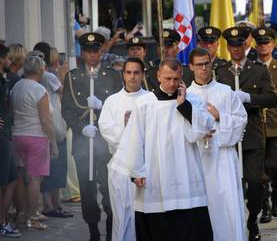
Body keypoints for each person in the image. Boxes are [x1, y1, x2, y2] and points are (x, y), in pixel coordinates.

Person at [114, 58, 214, 241]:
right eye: (167, 78)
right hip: (156, 174)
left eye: (176, 79)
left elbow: (205, 128)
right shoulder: (145, 103)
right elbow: (134, 139)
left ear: (182, 77)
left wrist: (184, 105)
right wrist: (135, 172)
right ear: (158, 75)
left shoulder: (192, 99)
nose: (172, 83)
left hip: (187, 173)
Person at [216, 26, 277, 241]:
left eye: (239, 45)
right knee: (230, 184)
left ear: (245, 45)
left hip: (251, 133)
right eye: (232, 46)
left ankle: (252, 220)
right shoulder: (220, 72)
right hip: (227, 135)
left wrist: (249, 98)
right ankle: (234, 223)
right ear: (228, 47)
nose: (236, 49)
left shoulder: (258, 69)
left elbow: (272, 98)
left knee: (255, 182)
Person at [62, 32, 123, 241]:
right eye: (88, 51)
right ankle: (93, 230)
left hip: (105, 142)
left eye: (95, 51)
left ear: (101, 51)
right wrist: (80, 128)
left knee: (108, 187)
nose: (92, 55)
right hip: (83, 142)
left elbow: (119, 106)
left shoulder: (113, 76)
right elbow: (67, 109)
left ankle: (110, 227)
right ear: (82, 52)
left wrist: (102, 105)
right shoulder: (72, 77)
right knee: (87, 190)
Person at [187, 48, 247, 241]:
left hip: (222, 159)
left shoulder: (225, 91)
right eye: (199, 65)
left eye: (206, 63)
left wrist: (220, 116)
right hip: (198, 159)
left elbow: (241, 120)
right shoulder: (185, 96)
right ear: (191, 67)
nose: (203, 68)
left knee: (227, 206)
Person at [98, 57, 149, 241]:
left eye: (136, 73)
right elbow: (106, 129)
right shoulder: (112, 101)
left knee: (143, 217)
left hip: (145, 167)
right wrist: (126, 127)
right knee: (121, 216)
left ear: (143, 75)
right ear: (123, 74)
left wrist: (136, 130)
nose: (132, 77)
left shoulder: (150, 100)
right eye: (129, 72)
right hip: (120, 166)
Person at [11, 51, 58, 230]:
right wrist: (53, 143)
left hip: (17, 136)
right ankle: (33, 216)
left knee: (23, 178)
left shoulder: (17, 87)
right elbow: (45, 120)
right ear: (40, 70)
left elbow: (13, 112)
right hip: (36, 137)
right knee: (35, 179)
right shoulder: (39, 89)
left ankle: (22, 213)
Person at [251, 27, 277, 224]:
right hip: (256, 122)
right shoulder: (250, 68)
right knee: (260, 170)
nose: (263, 47)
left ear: (273, 44)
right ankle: (266, 203)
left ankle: (276, 191)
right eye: (259, 43)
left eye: (266, 43)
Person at [33, 42, 72, 219]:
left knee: (49, 168)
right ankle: (52, 205)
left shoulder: (38, 76)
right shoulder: (49, 76)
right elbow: (64, 91)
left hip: (47, 123)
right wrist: (63, 74)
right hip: (55, 123)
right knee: (56, 167)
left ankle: (51, 204)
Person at [0, 44, 20, 238]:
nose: (9, 61)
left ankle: (2, 219)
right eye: (6, 58)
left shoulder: (2, 79)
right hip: (1, 137)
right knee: (3, 180)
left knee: (12, 178)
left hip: (6, 134)